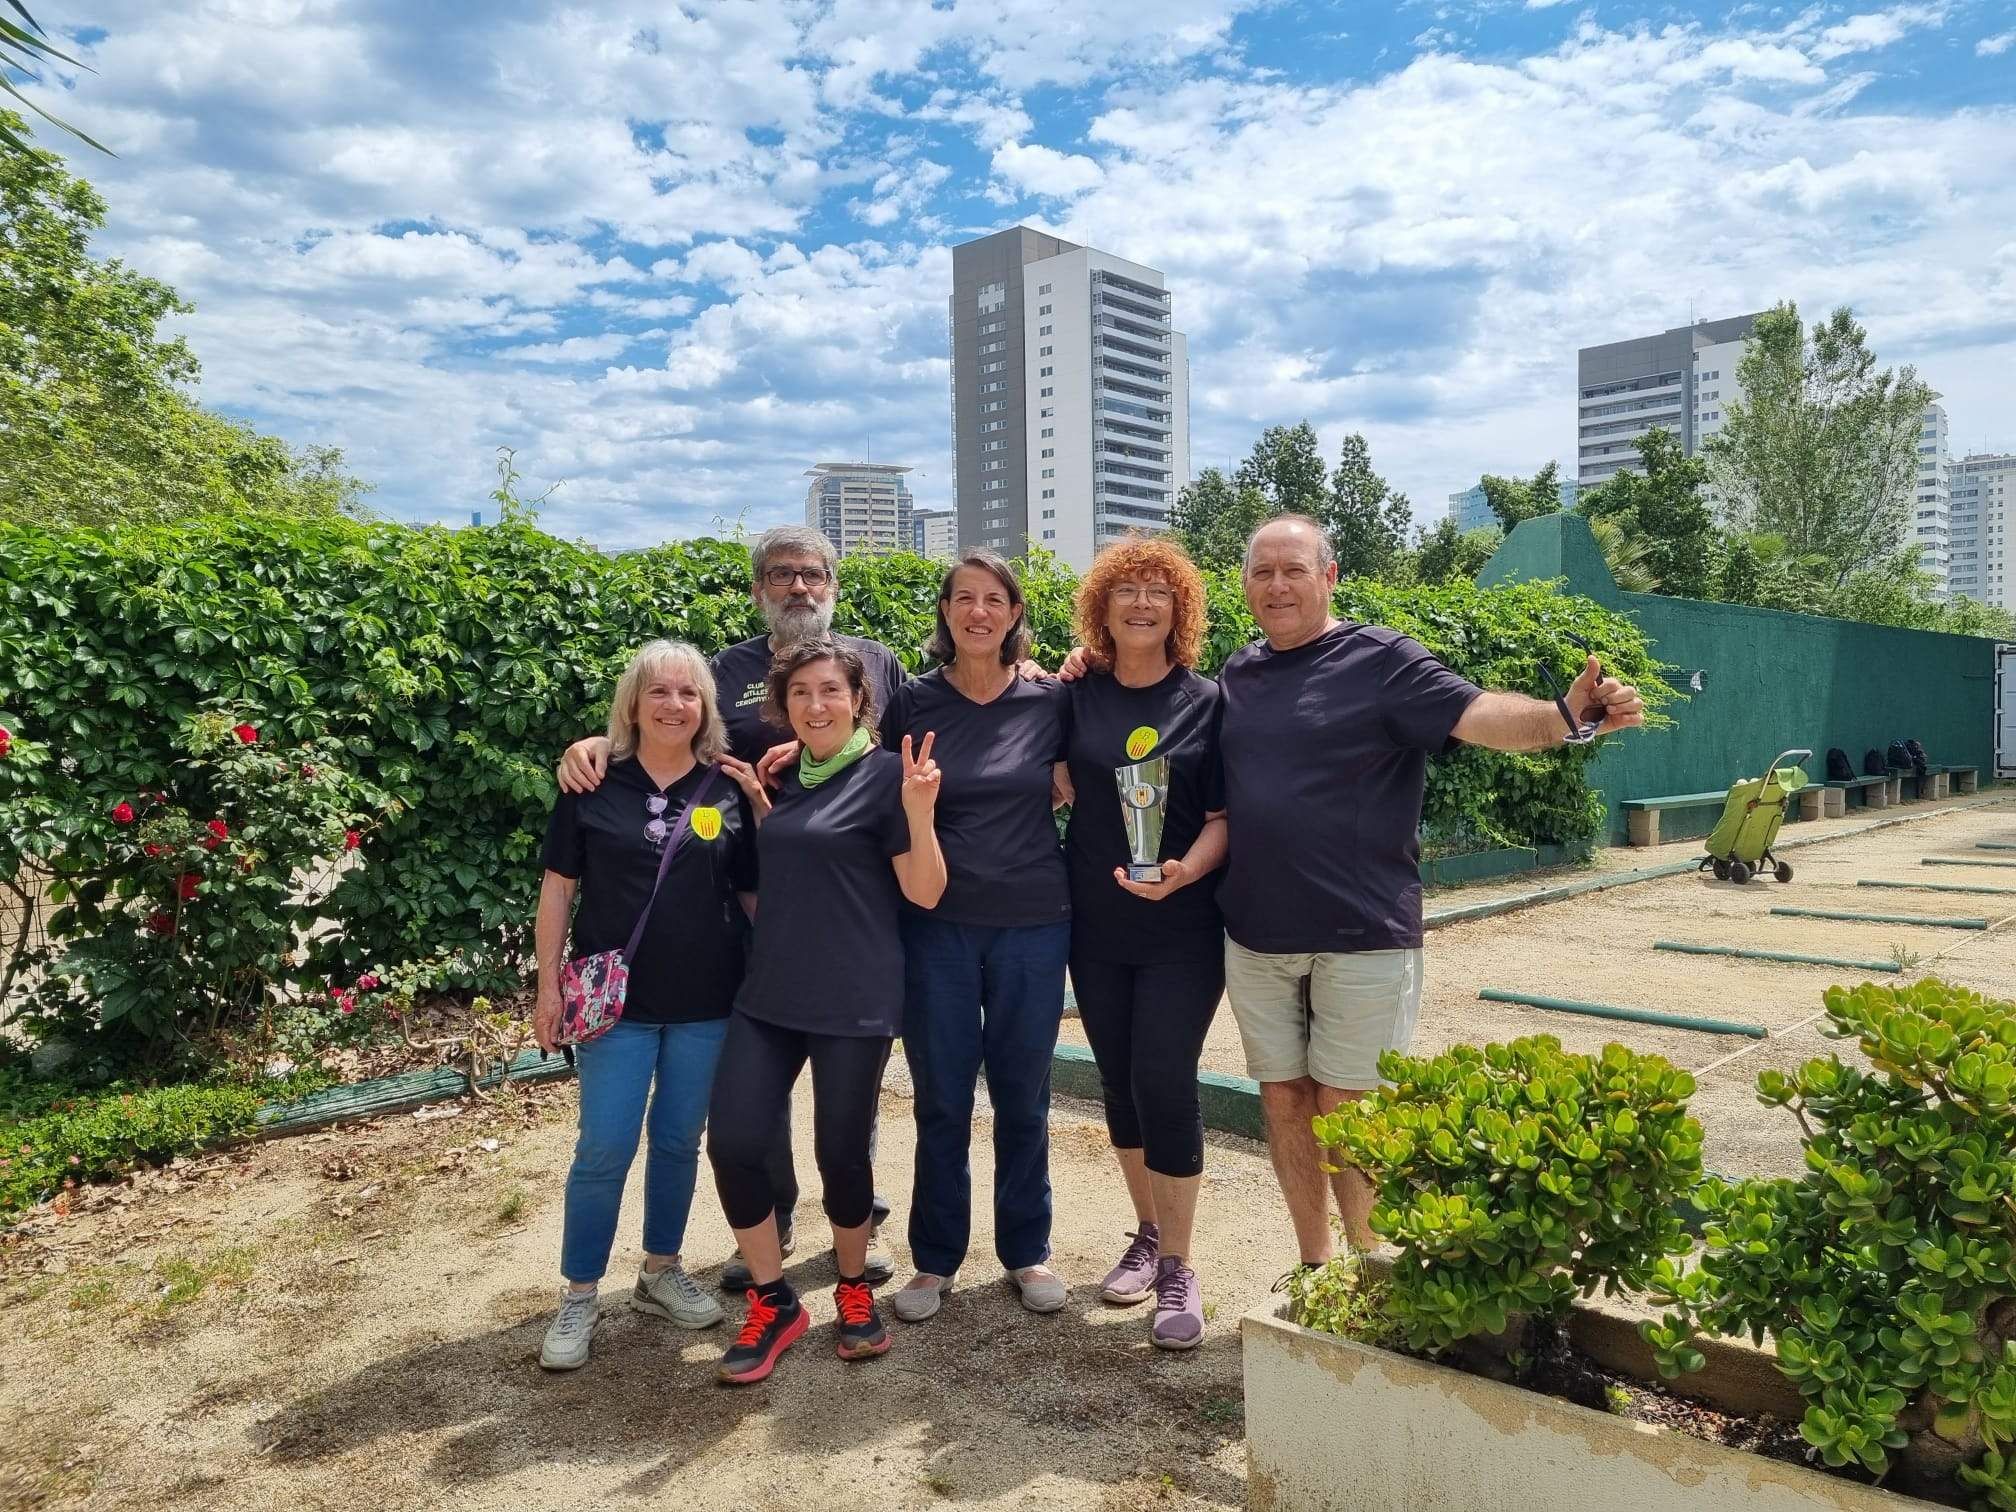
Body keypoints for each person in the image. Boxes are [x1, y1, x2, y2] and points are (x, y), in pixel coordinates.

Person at [1217, 515, 1643, 1278]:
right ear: (1246, 584)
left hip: (1363, 932)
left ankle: (1370, 1270)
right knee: (1283, 1100)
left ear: (1330, 577)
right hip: (1257, 933)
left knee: (1351, 1110)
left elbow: (1479, 715)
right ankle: (1318, 1270)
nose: (1278, 585)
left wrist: (1563, 717)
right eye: (1262, 572)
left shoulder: (1382, 660)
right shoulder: (1238, 672)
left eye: (1294, 570)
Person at [558, 525, 904, 1288]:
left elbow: (916, 746)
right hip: (754, 901)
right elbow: (674, 726)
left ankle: (862, 1220)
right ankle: (772, 1220)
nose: (799, 587)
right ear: (759, 590)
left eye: (812, 574)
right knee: (758, 1091)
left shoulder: (873, 659)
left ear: (832, 586)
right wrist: (593, 742)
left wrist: (1038, 673)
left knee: (848, 1099)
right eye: (781, 576)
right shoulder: (727, 669)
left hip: (849, 906)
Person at [705, 637, 945, 1385]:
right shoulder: (784, 776)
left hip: (854, 994)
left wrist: (920, 809)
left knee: (840, 1153)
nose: (817, 705)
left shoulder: (887, 779)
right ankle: (775, 1300)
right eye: (801, 692)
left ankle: (849, 1288)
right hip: (771, 991)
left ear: (859, 700)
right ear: (783, 706)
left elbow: (927, 893)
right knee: (735, 1142)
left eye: (832, 691)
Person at [532, 640, 760, 1372]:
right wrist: (545, 988)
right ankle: (579, 1294)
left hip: (706, 1002)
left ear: (706, 707)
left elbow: (752, 894)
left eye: (689, 694)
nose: (674, 705)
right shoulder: (591, 784)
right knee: (602, 1147)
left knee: (676, 1141)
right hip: (613, 1008)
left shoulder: (727, 789)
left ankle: (660, 1270)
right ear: (633, 703)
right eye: (658, 692)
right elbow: (559, 889)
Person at [884, 549, 1075, 1324]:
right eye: (963, 598)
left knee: (1025, 1098)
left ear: (1015, 614)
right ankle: (934, 1260)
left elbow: (1085, 759)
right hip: (938, 928)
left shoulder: (1050, 700)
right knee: (941, 1098)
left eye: (994, 599)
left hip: (1035, 922)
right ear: (945, 613)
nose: (978, 612)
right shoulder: (912, 703)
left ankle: (1026, 1250)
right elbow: (864, 768)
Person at [1051, 536, 1227, 1351]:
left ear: (1179, 609)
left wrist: (1185, 871)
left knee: (1165, 1079)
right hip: (1094, 924)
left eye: (1160, 591)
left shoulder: (1208, 701)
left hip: (1182, 928)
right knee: (1119, 1084)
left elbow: (1223, 819)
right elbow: (1045, 768)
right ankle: (1148, 1232)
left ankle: (1181, 1264)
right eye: (1128, 590)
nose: (1143, 602)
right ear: (1104, 608)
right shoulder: (1074, 695)